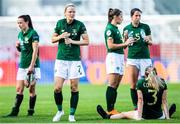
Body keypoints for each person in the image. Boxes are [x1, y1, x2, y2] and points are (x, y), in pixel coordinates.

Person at [51, 4, 89, 122]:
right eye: (70, 12)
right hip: (61, 59)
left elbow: (87, 41)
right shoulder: (59, 23)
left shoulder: (80, 24)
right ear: (65, 13)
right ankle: (60, 110)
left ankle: (71, 114)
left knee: (74, 87)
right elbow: (52, 39)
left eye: (73, 12)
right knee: (57, 88)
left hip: (74, 60)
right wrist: (61, 36)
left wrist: (72, 41)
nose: (72, 13)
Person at [97, 66, 176, 120]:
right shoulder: (162, 82)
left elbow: (140, 100)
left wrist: (139, 117)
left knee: (124, 114)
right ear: (156, 73)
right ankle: (167, 114)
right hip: (159, 116)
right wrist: (167, 118)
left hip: (144, 116)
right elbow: (164, 101)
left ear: (145, 74)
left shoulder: (141, 82)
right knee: (162, 112)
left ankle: (107, 116)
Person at [7, 15, 41, 116]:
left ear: (27, 22)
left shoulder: (33, 33)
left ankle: (30, 111)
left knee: (31, 88)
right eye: (18, 23)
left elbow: (35, 51)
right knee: (19, 88)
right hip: (22, 65)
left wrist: (31, 66)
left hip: (32, 65)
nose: (19, 25)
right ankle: (15, 111)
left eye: (21, 22)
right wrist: (18, 47)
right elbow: (22, 50)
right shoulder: (20, 34)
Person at [104, 8, 135, 115]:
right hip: (113, 57)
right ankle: (109, 110)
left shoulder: (116, 29)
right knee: (112, 84)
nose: (122, 18)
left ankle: (112, 109)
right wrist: (125, 43)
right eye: (121, 16)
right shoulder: (110, 29)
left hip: (120, 57)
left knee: (116, 84)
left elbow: (122, 47)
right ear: (115, 17)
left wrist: (125, 40)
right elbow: (110, 46)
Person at [123, 8, 153, 110]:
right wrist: (126, 39)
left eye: (139, 15)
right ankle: (136, 107)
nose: (138, 17)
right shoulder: (126, 28)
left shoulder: (145, 27)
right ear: (131, 16)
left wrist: (147, 40)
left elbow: (151, 42)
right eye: (136, 15)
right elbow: (124, 46)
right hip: (132, 59)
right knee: (133, 84)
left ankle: (148, 105)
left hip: (145, 58)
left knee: (148, 83)